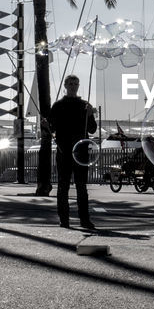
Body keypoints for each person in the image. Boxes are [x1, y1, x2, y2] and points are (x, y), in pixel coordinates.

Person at [47, 74, 97, 229]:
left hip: (81, 151)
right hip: (63, 150)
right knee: (63, 186)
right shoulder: (58, 105)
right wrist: (46, 125)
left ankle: (85, 220)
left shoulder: (85, 105)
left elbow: (92, 129)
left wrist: (90, 115)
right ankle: (64, 219)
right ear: (65, 85)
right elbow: (52, 128)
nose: (74, 86)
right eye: (71, 83)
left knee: (81, 186)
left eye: (76, 83)